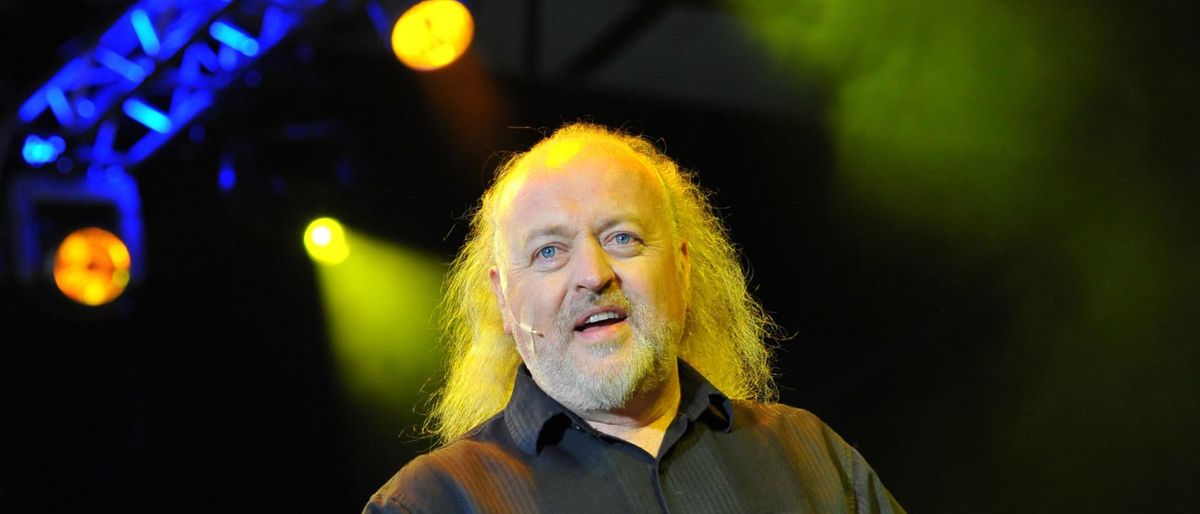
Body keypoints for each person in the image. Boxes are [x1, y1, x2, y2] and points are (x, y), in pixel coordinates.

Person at [364, 123, 905, 513]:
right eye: (549, 251)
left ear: (683, 271)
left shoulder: (806, 454)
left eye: (622, 238)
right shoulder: (432, 502)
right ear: (504, 300)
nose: (593, 274)